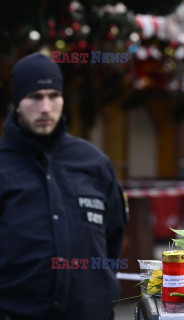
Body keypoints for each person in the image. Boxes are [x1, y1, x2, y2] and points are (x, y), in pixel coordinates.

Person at [0, 52, 128, 320]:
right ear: (17, 102)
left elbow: (113, 237)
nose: (45, 107)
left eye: (53, 95)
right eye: (35, 97)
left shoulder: (93, 162)